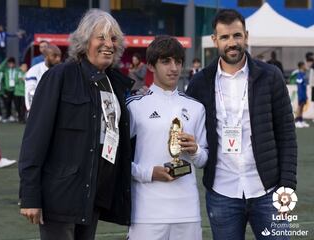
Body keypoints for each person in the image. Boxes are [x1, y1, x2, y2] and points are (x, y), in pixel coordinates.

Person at [18, 9, 134, 240]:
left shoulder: (114, 83)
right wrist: (29, 196)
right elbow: (35, 139)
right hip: (60, 197)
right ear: (84, 41)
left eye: (113, 38)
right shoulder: (59, 77)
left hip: (93, 196)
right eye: (100, 37)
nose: (108, 44)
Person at [186, 9, 297, 240]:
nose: (232, 43)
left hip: (268, 192)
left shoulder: (271, 76)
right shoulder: (200, 82)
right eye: (225, 37)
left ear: (246, 35)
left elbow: (287, 134)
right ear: (215, 40)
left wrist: (287, 187)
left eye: (237, 36)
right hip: (222, 193)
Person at [126, 36, 208, 240]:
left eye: (178, 62)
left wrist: (195, 150)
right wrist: (148, 173)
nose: (173, 68)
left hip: (187, 212)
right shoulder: (134, 106)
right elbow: (117, 161)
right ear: (151, 66)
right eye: (166, 61)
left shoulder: (196, 108)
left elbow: (204, 159)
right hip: (146, 212)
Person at [24, 44, 61, 111]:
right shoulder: (34, 70)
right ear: (46, 56)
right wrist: (32, 111)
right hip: (39, 111)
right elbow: (30, 93)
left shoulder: (62, 70)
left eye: (59, 56)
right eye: (54, 56)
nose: (58, 59)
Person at [295, 61, 309, 128]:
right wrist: (303, 78)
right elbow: (298, 81)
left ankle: (301, 120)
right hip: (300, 93)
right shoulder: (299, 74)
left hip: (304, 93)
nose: (305, 66)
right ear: (301, 66)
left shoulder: (304, 74)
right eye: (304, 65)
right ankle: (297, 121)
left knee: (302, 106)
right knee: (299, 106)